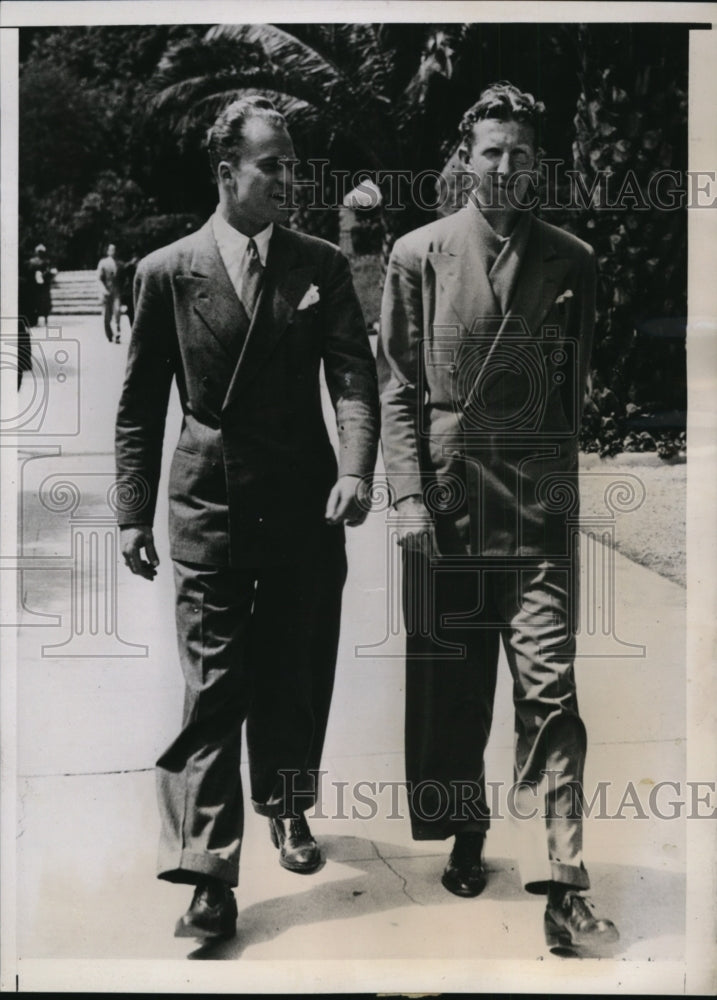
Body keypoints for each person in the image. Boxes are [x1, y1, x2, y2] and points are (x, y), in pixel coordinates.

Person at [115, 96, 379, 942]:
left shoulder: (319, 265)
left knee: (293, 674)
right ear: (227, 173)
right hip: (209, 505)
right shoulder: (166, 270)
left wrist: (354, 469)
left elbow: (353, 379)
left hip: (305, 505)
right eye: (273, 166)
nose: (288, 180)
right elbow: (137, 408)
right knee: (214, 688)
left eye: (294, 166)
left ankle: (288, 806)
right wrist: (131, 514)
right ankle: (207, 873)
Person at [378, 82, 618, 953]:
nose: (505, 166)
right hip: (444, 504)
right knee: (454, 691)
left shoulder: (573, 259)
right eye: (491, 151)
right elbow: (399, 390)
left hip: (537, 511)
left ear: (537, 163)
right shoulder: (417, 254)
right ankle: (468, 825)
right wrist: (404, 496)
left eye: (519, 152)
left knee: (551, 694)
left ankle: (562, 881)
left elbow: (572, 391)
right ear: (465, 159)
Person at [97, 243, 121, 343]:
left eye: (114, 249)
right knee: (107, 316)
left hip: (116, 291)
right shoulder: (103, 262)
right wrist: (103, 290)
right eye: (111, 249)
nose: (113, 252)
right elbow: (99, 279)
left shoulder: (119, 263)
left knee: (117, 310)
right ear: (107, 251)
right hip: (106, 291)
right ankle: (109, 334)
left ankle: (117, 333)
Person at [26, 243, 55, 326]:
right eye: (39, 252)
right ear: (36, 252)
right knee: (36, 302)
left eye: (42, 252)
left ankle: (45, 318)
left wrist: (46, 275)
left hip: (44, 286)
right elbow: (29, 273)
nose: (40, 253)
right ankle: (35, 319)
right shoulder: (32, 261)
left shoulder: (46, 262)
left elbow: (49, 272)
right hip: (35, 286)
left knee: (44, 302)